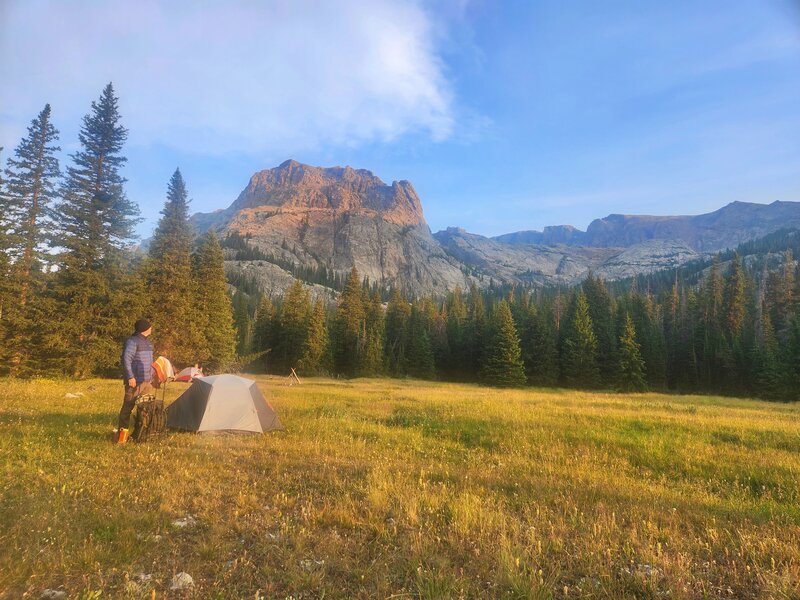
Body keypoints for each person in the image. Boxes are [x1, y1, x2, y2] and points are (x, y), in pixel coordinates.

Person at [116, 319, 154, 442]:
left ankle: (139, 434)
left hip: (146, 381)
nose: (151, 329)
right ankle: (122, 436)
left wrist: (153, 377)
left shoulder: (148, 343)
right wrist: (130, 377)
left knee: (144, 408)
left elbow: (150, 363)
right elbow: (126, 359)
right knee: (128, 407)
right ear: (144, 329)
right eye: (149, 327)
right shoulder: (132, 341)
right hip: (135, 380)